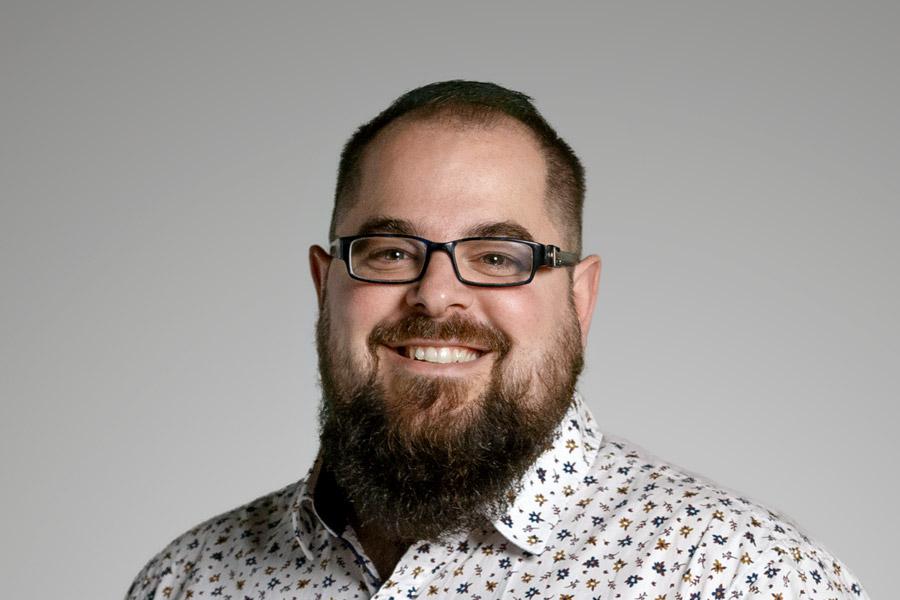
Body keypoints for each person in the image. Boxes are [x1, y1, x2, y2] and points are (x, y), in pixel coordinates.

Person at [126, 81, 868, 599]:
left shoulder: (739, 576)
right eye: (390, 252)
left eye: (497, 258)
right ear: (327, 285)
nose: (436, 294)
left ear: (579, 297)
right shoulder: (187, 582)